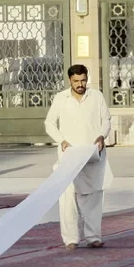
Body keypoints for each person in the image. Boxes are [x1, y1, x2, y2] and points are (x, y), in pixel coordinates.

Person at [45, 64, 111, 250]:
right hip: (69, 156)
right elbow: (49, 123)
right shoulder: (61, 98)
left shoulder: (96, 96)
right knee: (68, 198)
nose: (80, 84)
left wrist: (102, 136)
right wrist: (61, 140)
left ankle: (93, 237)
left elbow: (106, 120)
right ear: (70, 80)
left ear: (87, 79)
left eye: (83, 80)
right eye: (76, 81)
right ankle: (71, 239)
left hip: (92, 154)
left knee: (93, 196)